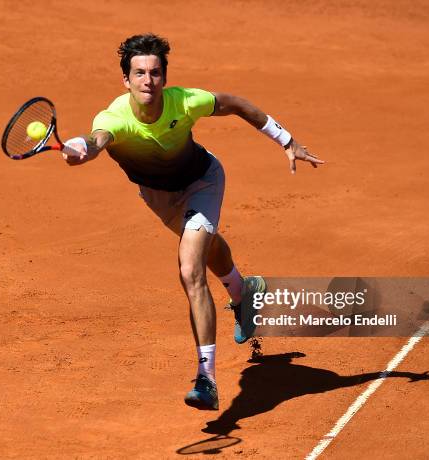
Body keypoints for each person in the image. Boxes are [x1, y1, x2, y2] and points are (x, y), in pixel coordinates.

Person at [62, 33, 324, 411]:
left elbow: (234, 103)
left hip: (203, 182)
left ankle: (207, 378)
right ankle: (244, 291)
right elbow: (96, 139)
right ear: (126, 80)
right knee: (208, 247)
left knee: (190, 268)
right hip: (158, 196)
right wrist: (80, 149)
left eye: (154, 73)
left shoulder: (185, 102)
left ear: (164, 78)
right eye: (139, 74)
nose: (147, 81)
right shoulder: (113, 118)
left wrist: (287, 140)